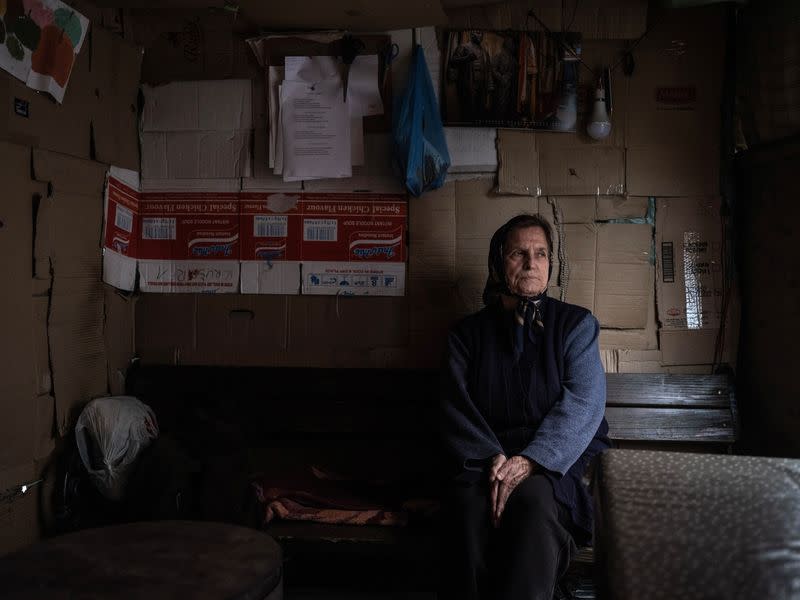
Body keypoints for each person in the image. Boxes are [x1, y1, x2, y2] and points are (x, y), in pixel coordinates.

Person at [440, 214, 610, 600]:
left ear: (552, 263)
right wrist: (493, 460)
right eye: (519, 253)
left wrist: (531, 461)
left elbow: (584, 402)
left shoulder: (576, 326)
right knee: (467, 510)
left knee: (533, 502)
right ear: (499, 262)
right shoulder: (466, 336)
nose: (532, 263)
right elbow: (455, 408)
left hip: (555, 465)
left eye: (541, 253)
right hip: (484, 462)